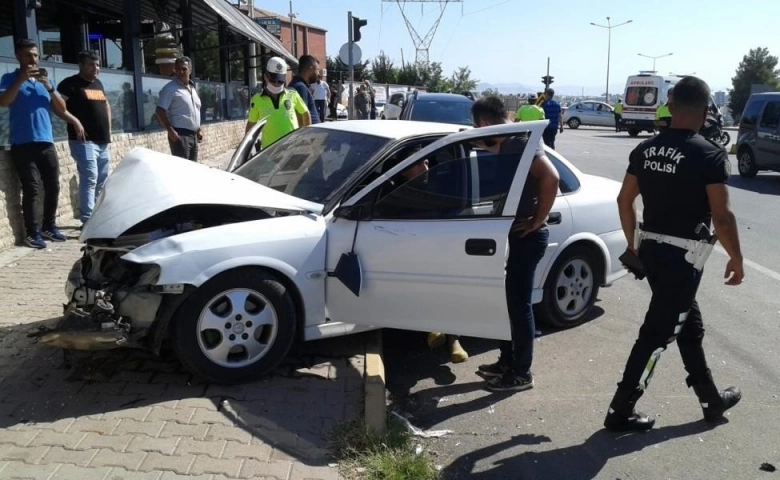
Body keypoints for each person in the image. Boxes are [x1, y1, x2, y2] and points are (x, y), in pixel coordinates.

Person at [604, 76, 744, 432]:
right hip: (683, 259)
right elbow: (723, 217)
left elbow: (624, 200)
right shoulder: (709, 153)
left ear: (671, 105)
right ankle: (621, 409)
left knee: (688, 326)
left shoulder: (646, 149)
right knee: (657, 334)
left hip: (652, 251)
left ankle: (711, 399)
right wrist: (736, 258)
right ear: (704, 107)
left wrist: (633, 242)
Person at [471, 96, 560, 392]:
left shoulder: (520, 142)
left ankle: (521, 373)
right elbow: (495, 147)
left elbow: (551, 177)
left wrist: (537, 220)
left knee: (519, 306)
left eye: (478, 128)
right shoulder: (512, 139)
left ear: (485, 123)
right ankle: (507, 361)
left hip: (528, 235)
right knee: (508, 302)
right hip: (515, 234)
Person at [0, 39, 82, 248]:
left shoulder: (44, 82)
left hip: (46, 142)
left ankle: (49, 226)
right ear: (18, 56)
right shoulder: (9, 78)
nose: (33, 59)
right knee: (32, 189)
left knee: (53, 186)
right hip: (23, 143)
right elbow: (4, 102)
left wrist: (50, 87)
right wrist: (20, 80)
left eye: (35, 55)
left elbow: (60, 108)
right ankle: (32, 232)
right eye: (28, 55)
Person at [57, 51, 112, 228]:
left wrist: (108, 130)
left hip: (102, 140)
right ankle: (87, 219)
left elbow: (106, 105)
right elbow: (57, 106)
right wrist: (74, 121)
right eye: (91, 64)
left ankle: (96, 215)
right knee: (90, 177)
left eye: (97, 65)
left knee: (102, 179)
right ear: (81, 65)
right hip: (83, 141)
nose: (95, 68)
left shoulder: (98, 84)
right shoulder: (69, 84)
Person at [245, 56, 310, 150]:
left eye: (280, 81)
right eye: (273, 80)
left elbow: (305, 113)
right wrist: (247, 148)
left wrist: (305, 136)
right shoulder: (257, 99)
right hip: (268, 151)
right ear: (265, 77)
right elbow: (251, 125)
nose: (276, 84)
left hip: (291, 148)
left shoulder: (293, 94)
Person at [155, 56, 203, 161]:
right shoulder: (170, 88)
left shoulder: (193, 89)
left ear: (190, 70)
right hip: (180, 135)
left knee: (193, 169)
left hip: (194, 136)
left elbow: (194, 110)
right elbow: (159, 110)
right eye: (178, 69)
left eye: (184, 69)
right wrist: (170, 130)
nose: (181, 72)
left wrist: (198, 129)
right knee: (182, 171)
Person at [289, 54, 321, 124]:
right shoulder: (300, 87)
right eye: (317, 70)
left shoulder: (298, 85)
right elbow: (302, 116)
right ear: (310, 69)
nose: (318, 73)